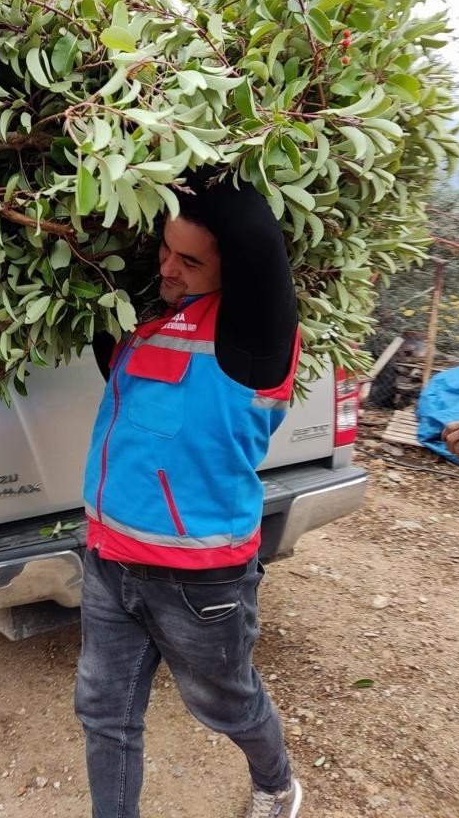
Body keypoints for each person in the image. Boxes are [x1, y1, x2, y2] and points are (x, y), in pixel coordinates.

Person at [75, 170, 302, 818]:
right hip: (108, 562)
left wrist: (166, 150)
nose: (169, 268)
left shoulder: (254, 341)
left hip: (201, 585)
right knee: (103, 711)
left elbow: (253, 229)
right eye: (165, 251)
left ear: (233, 270)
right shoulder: (146, 325)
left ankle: (276, 782)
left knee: (226, 701)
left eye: (191, 260)